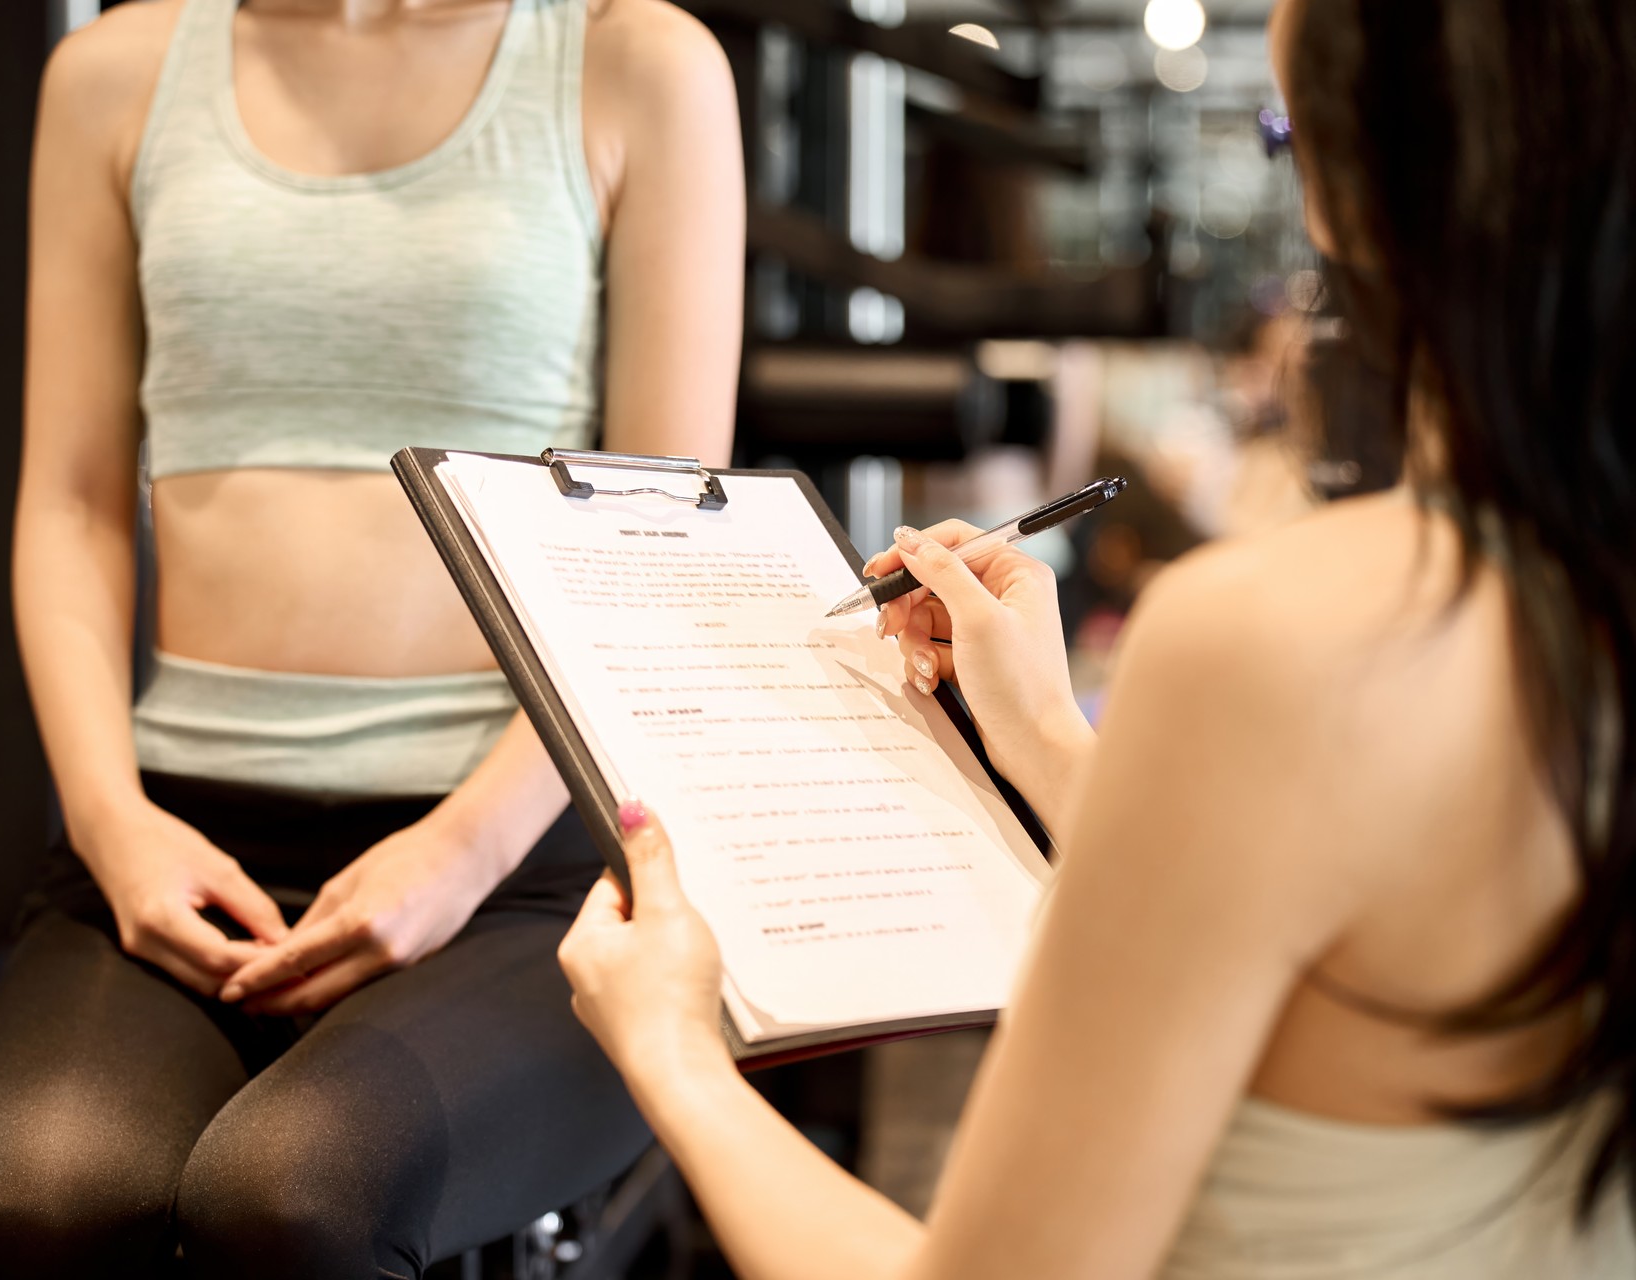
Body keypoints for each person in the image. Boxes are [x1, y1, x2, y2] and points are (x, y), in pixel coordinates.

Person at [557, 1, 1636, 1276]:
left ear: (1357, 182)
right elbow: (1338, 928)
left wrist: (672, 1047)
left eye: (1282, 132)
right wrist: (1050, 742)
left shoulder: (1274, 639)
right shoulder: (1570, 605)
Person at [0, 0, 741, 1273]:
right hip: (184, 842)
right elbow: (74, 500)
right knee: (43, 1204)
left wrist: (457, 853)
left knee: (293, 1193)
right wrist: (113, 824)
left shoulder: (632, 60)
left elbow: (658, 536)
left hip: (526, 865)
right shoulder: (115, 71)